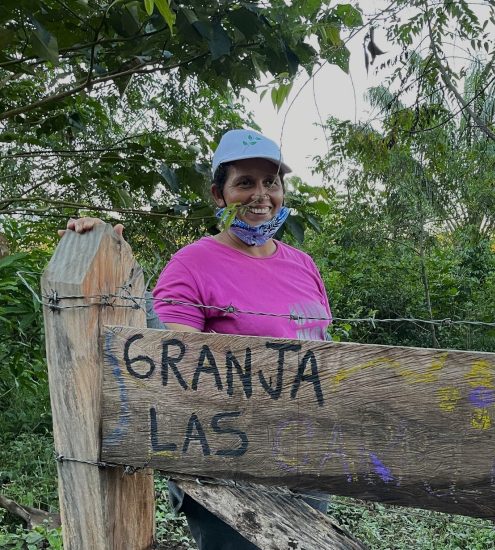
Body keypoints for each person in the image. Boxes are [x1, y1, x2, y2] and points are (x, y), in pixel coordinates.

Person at [64, 128, 332, 550]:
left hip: (307, 455)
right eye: (245, 182)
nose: (261, 195)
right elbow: (177, 364)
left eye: (271, 182)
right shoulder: (192, 264)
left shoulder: (303, 264)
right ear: (219, 194)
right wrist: (105, 248)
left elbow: (322, 352)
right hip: (229, 465)